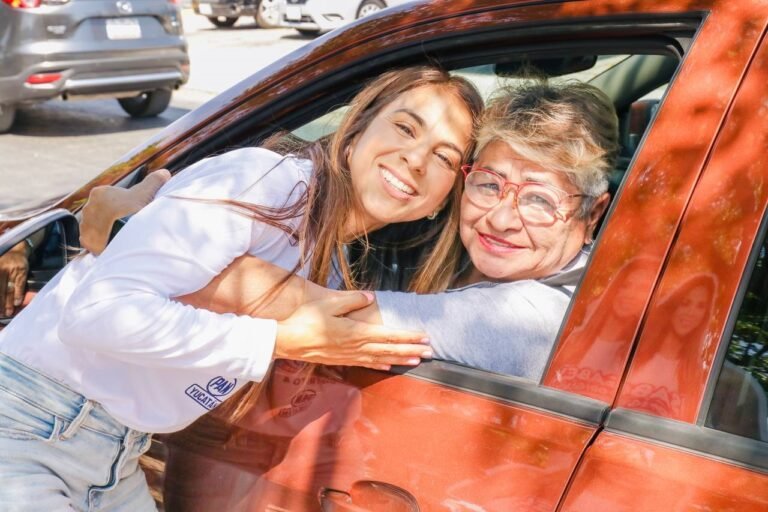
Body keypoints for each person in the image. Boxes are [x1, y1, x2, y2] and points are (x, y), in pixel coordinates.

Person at [0, 66, 483, 511]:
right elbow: (98, 313)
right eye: (405, 127)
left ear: (442, 202)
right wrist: (273, 340)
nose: (416, 158)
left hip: (115, 451)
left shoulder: (331, 264)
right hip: (29, 426)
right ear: (355, 131)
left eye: (444, 157)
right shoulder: (267, 181)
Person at [85, 79, 619, 382]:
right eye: (488, 185)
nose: (502, 218)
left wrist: (134, 231)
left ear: (591, 216)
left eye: (540, 200)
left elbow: (332, 316)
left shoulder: (538, 314)